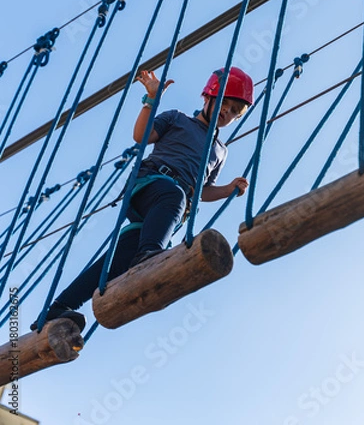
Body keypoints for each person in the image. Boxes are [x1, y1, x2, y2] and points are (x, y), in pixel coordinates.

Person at [30, 67, 254, 333]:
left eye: (232, 111)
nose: (225, 113)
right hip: (150, 185)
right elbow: (142, 136)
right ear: (207, 98)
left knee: (118, 258)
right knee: (173, 198)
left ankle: (58, 308)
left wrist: (228, 189)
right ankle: (149, 255)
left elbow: (203, 191)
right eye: (223, 104)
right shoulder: (178, 119)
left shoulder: (220, 151)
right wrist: (152, 100)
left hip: (169, 210)